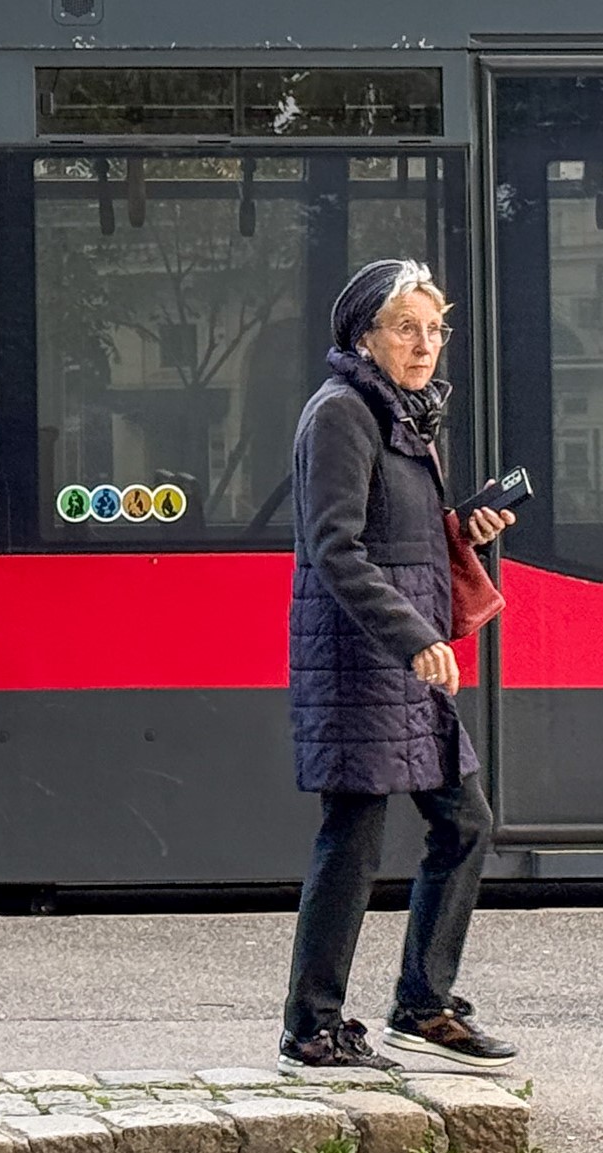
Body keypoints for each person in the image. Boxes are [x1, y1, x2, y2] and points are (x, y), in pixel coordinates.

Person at [281, 258, 519, 1074]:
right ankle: (311, 1026)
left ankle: (421, 1004)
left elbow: (397, 535)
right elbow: (335, 546)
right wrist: (415, 634)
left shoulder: (403, 414)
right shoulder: (342, 413)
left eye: (433, 330)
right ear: (365, 335)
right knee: (351, 835)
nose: (424, 345)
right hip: (364, 658)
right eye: (405, 328)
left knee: (464, 820)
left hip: (406, 664)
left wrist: (465, 530)